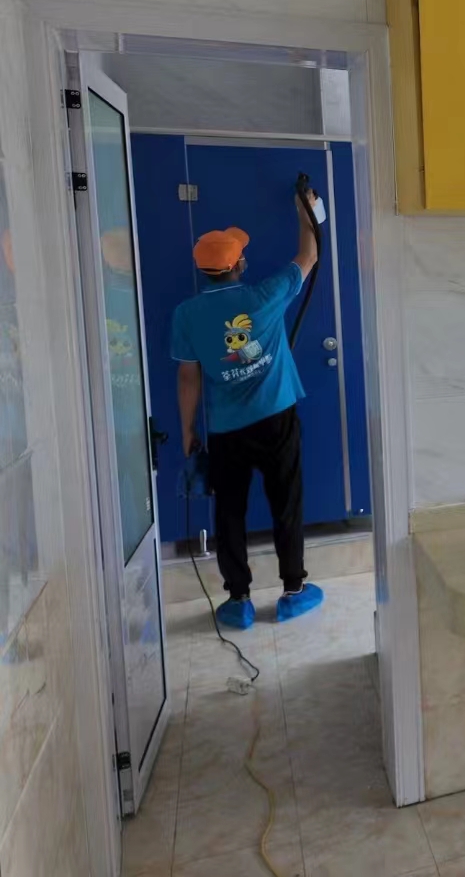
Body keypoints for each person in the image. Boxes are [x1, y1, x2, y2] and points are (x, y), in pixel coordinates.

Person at [172, 189, 326, 629]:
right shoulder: (265, 296)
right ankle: (293, 591)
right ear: (238, 265)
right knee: (286, 503)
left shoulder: (186, 314)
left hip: (226, 430)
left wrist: (187, 431)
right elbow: (309, 255)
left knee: (229, 512)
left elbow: (188, 378)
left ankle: (238, 600)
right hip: (276, 420)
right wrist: (303, 210)